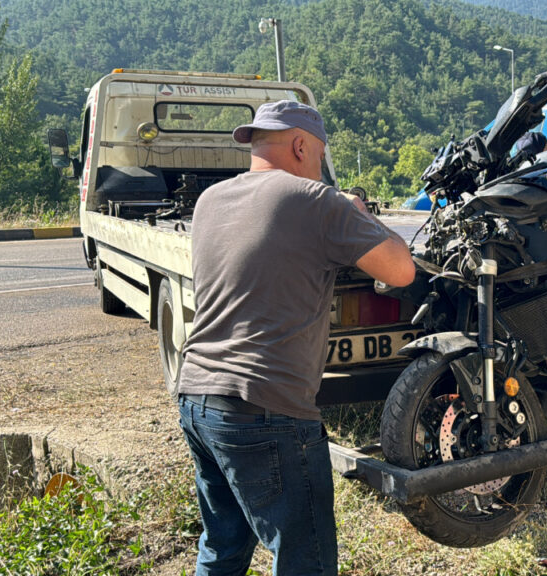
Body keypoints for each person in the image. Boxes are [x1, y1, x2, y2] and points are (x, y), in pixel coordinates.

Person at [174, 100, 415, 576]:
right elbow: (401, 270)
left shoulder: (210, 201)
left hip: (197, 397)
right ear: (302, 145)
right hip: (267, 408)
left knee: (222, 548)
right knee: (306, 562)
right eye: (320, 157)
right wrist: (358, 211)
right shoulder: (316, 201)